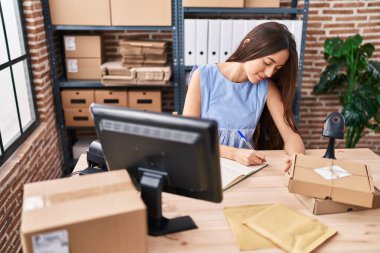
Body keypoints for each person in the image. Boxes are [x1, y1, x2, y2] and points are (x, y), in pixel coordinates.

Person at [183, 22, 305, 171]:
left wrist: (297, 158)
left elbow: (291, 135)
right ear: (248, 44)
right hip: (205, 166)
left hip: (246, 170)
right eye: (267, 62)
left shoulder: (266, 87)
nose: (269, 73)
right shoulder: (203, 76)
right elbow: (189, 136)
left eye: (276, 69)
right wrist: (234, 153)